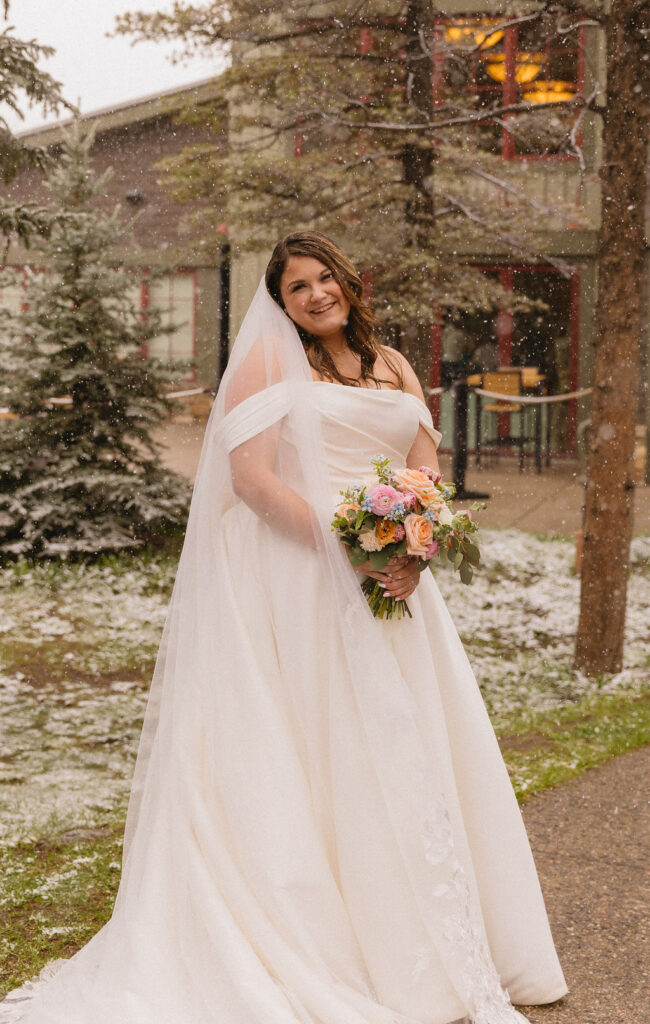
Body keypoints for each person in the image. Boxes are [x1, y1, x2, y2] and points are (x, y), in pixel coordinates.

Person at [1, 231, 567, 1024]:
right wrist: (350, 554)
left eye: (323, 277)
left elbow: (425, 476)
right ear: (283, 303)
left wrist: (415, 551)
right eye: (296, 287)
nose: (314, 295)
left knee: (407, 747)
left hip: (394, 583)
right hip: (298, 576)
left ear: (349, 281)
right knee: (320, 746)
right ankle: (326, 938)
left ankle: (423, 943)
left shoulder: (398, 364)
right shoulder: (272, 364)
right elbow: (252, 480)